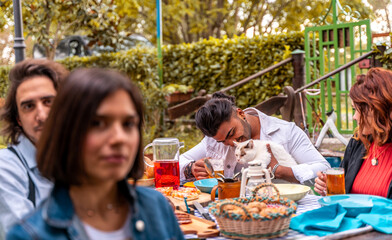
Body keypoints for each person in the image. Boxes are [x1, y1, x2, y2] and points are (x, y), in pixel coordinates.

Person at [7, 68, 184, 239]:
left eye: (128, 124)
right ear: (65, 131)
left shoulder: (157, 207)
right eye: (97, 123)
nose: (119, 138)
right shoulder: (31, 234)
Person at [180, 92, 330, 184]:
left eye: (231, 133)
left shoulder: (286, 132)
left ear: (240, 113)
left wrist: (279, 170)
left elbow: (324, 168)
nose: (230, 143)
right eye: (222, 141)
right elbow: (178, 160)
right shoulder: (215, 139)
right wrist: (190, 168)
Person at [0, 59, 68, 235]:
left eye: (48, 102)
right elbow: (30, 235)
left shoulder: (77, 158)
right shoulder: (5, 168)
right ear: (18, 119)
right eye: (29, 106)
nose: (41, 115)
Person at [314, 68, 392, 198]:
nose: (354, 117)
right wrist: (327, 187)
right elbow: (343, 194)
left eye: (357, 110)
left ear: (377, 110)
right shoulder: (358, 143)